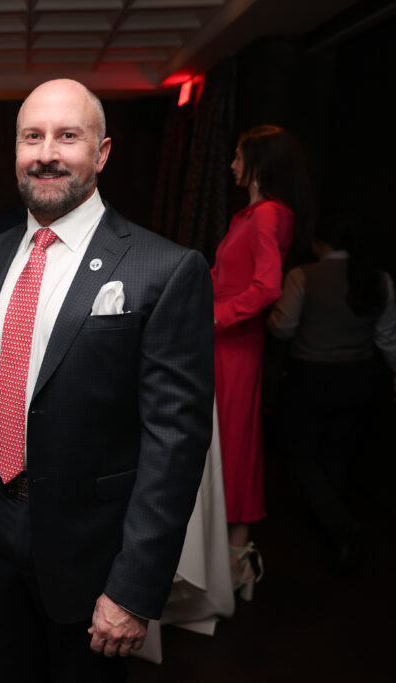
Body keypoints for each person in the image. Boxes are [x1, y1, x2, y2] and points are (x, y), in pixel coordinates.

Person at [0, 79, 214, 682]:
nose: (47, 152)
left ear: (102, 153)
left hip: (92, 553)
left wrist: (133, 588)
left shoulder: (165, 268)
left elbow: (174, 445)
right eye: (33, 136)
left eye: (67, 136)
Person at [213, 124, 312, 597]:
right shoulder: (250, 216)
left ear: (258, 163)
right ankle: (228, 558)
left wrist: (213, 317)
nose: (232, 165)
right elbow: (224, 276)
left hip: (235, 344)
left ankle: (237, 561)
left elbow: (267, 288)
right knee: (224, 444)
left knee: (235, 446)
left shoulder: (269, 215)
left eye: (237, 156)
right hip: (223, 342)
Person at [267, 213, 396, 574]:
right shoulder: (379, 280)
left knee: (297, 455)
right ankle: (333, 537)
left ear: (318, 242)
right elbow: (388, 339)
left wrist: (274, 317)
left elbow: (282, 329)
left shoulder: (303, 275)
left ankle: (341, 527)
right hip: (359, 380)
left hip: (310, 379)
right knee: (336, 456)